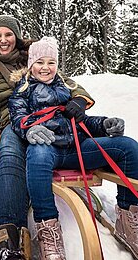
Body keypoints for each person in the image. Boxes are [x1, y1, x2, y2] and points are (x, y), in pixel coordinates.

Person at [0, 15, 95, 260]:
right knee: (9, 154)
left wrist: (80, 99)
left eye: (8, 34)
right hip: (13, 123)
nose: (3, 40)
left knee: (39, 151)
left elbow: (67, 83)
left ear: (17, 37)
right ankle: (7, 236)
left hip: (47, 121)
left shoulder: (35, 58)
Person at [8, 36, 138, 260]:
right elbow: (17, 118)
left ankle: (129, 219)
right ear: (31, 65)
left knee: (128, 147)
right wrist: (29, 129)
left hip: (77, 147)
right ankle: (48, 229)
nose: (46, 68)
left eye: (51, 62)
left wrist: (104, 123)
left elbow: (82, 121)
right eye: (40, 62)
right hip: (47, 149)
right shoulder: (22, 92)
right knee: (37, 154)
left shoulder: (67, 90)